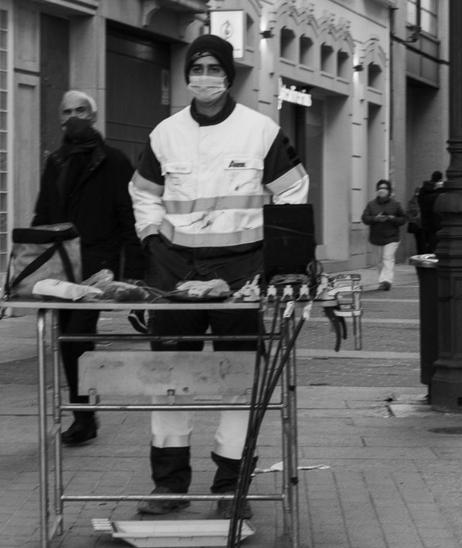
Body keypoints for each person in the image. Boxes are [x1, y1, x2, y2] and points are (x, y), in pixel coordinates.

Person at [127, 34, 308, 520]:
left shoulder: (260, 131)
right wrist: (152, 240)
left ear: (229, 75)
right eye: (197, 67)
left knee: (237, 384)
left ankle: (231, 487)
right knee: (169, 380)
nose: (204, 76)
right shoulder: (165, 133)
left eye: (213, 68)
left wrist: (275, 257)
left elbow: (293, 192)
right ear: (187, 74)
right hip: (175, 272)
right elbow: (143, 192)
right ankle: (168, 486)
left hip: (242, 270)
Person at [31, 90, 137, 446]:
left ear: (93, 116)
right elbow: (43, 214)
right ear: (60, 118)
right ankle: (84, 414)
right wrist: (33, 265)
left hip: (97, 265)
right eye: (66, 111)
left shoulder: (115, 161)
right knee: (67, 340)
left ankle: (84, 416)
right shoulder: (56, 162)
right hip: (62, 266)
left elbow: (129, 218)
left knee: (78, 337)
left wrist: (135, 275)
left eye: (80, 110)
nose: (72, 116)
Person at [361, 180, 406, 290]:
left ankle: (386, 281)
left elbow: (403, 219)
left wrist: (392, 218)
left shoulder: (395, 205)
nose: (382, 190)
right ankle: (383, 281)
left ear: (389, 191)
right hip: (376, 237)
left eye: (385, 188)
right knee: (378, 261)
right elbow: (365, 218)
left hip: (392, 237)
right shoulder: (371, 205)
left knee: (388, 257)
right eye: (380, 188)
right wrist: (375, 218)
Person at [409, 171, 444, 254]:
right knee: (434, 248)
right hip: (437, 225)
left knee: (422, 248)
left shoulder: (423, 194)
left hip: (424, 225)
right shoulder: (439, 194)